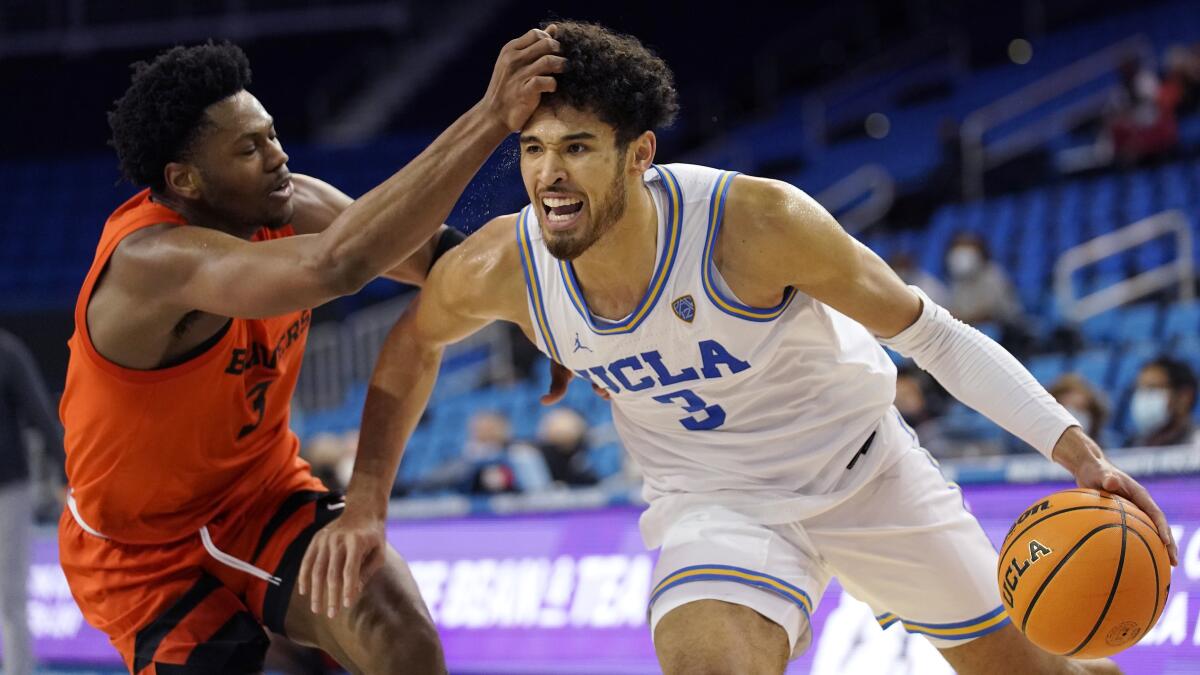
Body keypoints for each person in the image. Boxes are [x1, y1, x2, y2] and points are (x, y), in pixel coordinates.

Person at [307, 21, 1177, 675]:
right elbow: (410, 348)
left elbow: (933, 335)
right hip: (716, 505)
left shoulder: (755, 224)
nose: (548, 174)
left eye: (577, 147)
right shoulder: (507, 264)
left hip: (869, 475)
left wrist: (1075, 447)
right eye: (533, 150)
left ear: (638, 153)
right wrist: (370, 500)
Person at [58, 32, 563, 675]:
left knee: (396, 629)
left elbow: (437, 257)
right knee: (234, 662)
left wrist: (543, 315)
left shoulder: (294, 202)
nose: (278, 156)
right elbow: (341, 264)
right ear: (185, 180)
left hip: (260, 495)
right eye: (250, 148)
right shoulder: (149, 263)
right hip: (141, 551)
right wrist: (492, 116)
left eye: (271, 134)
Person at [0, 329, 66, 675]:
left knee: (10, 594)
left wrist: (69, 478)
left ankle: (17, 670)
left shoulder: (7, 352)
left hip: (8, 489)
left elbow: (40, 413)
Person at [1128, 356, 1197, 447]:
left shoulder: (1196, 443)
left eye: (1152, 388)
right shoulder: (1133, 446)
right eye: (1140, 389)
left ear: (1184, 397)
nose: (1143, 397)